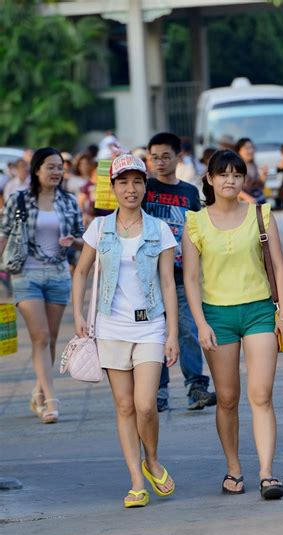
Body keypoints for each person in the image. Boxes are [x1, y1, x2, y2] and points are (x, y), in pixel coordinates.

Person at [183, 149, 283, 499]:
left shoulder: (261, 215)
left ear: (243, 179)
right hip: (218, 316)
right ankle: (233, 468)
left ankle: (267, 473)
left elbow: (278, 266)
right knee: (228, 399)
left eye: (236, 174)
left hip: (261, 311)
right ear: (210, 179)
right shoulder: (195, 222)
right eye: (223, 174)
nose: (230, 180)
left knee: (261, 395)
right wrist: (200, 323)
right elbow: (189, 279)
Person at [72, 154, 179, 508]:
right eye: (123, 183)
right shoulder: (99, 229)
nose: (130, 189)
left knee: (146, 405)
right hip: (110, 327)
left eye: (137, 182)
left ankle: (152, 459)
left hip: (150, 326)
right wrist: (78, 314)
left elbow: (168, 283)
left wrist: (173, 334)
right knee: (123, 405)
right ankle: (136, 481)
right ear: (113, 187)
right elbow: (81, 271)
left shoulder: (158, 229)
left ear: (145, 186)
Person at [0, 147, 84, 424]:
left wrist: (73, 241)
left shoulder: (69, 202)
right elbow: (3, 234)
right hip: (27, 275)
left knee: (50, 339)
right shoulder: (19, 200)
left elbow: (84, 240)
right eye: (50, 166)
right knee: (40, 336)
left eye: (60, 167)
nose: (57, 172)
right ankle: (51, 400)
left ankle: (37, 391)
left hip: (59, 275)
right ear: (36, 169)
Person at [144, 132, 217, 412]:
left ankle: (196, 388)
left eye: (165, 156)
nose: (160, 162)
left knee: (187, 330)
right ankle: (158, 393)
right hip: (149, 278)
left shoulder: (188, 193)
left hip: (182, 277)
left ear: (178, 157)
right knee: (156, 334)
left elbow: (200, 231)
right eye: (154, 157)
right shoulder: (144, 188)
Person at [235, 138, 268, 205]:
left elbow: (260, 186)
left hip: (259, 200)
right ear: (239, 151)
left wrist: (263, 176)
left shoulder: (253, 164)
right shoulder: (236, 166)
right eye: (247, 148)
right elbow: (234, 188)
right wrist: (249, 198)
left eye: (252, 147)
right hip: (245, 204)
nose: (251, 150)